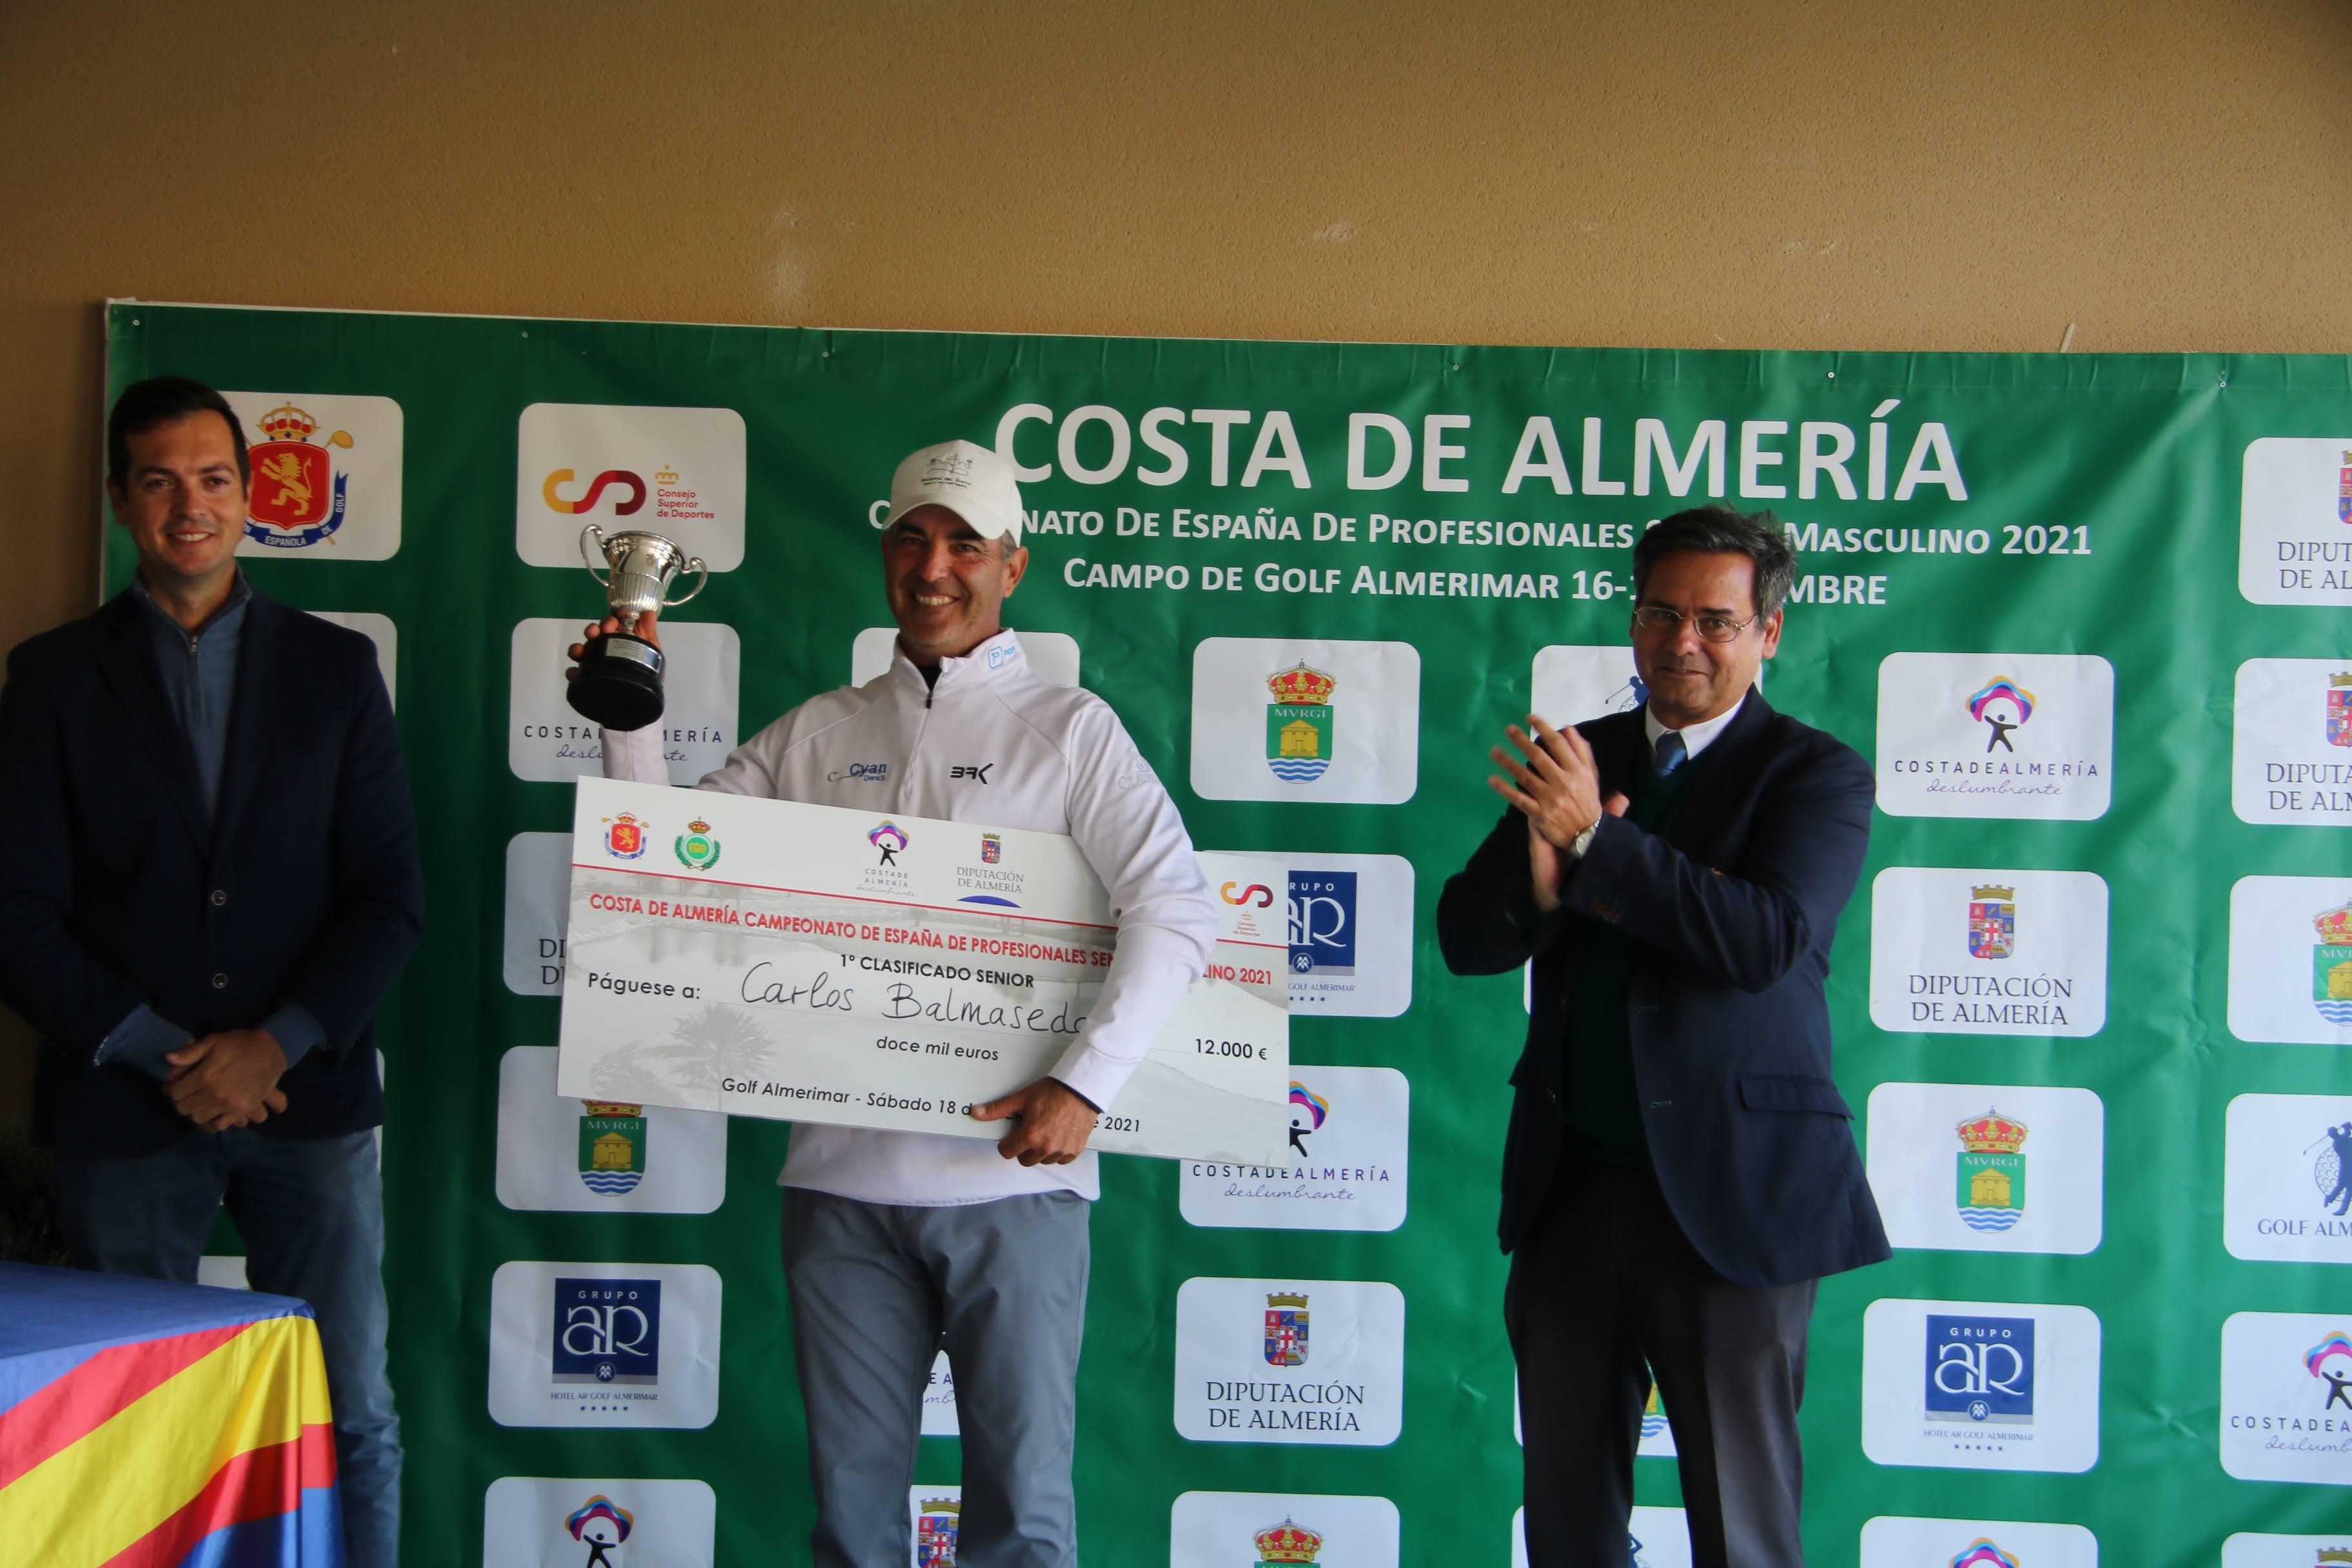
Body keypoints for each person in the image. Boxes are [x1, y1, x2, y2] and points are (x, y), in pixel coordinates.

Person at [570, 438, 1215, 1568]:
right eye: (913, 540)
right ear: (885, 554)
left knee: (1022, 1519)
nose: (935, 569)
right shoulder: (818, 730)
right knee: (853, 1522)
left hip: (1012, 1179)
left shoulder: (1071, 731)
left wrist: (1085, 1086)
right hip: (840, 1189)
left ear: (1011, 565)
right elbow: (668, 874)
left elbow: (1177, 910)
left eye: (966, 545)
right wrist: (627, 710)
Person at [0, 376, 423, 1568]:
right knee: (134, 1438)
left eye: (215, 478)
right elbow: (15, 913)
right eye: (160, 481)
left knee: (353, 1414)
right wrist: (167, 1054)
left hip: (309, 1102)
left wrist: (273, 1045)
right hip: (120, 1111)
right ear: (122, 502)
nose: (192, 505)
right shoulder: (50, 677)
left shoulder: (338, 672)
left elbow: (388, 898)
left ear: (252, 498)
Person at [1435, 506, 1886, 1568]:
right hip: (1573, 1195)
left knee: (1744, 1523)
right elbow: (1467, 934)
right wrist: (1545, 892)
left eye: (1716, 622)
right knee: (1567, 1519)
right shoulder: (1575, 755)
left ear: (1770, 631)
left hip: (1734, 1206)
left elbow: (1764, 939)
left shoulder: (1815, 775)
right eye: (1661, 613)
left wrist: (1596, 843)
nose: (1683, 641)